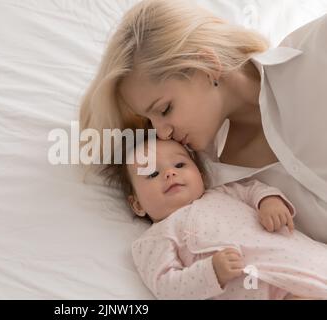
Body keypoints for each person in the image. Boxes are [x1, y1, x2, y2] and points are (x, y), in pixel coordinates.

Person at [79, 0, 327, 242]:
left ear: (208, 65)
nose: (162, 133)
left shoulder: (317, 51)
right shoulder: (205, 185)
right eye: (149, 121)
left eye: (165, 109)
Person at [124, 138, 327, 299]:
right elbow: (166, 286)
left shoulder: (223, 193)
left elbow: (254, 190)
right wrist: (210, 272)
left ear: (201, 176)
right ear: (137, 205)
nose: (170, 173)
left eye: (179, 164)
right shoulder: (155, 237)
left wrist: (269, 201)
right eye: (152, 174)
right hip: (261, 289)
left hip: (300, 261)